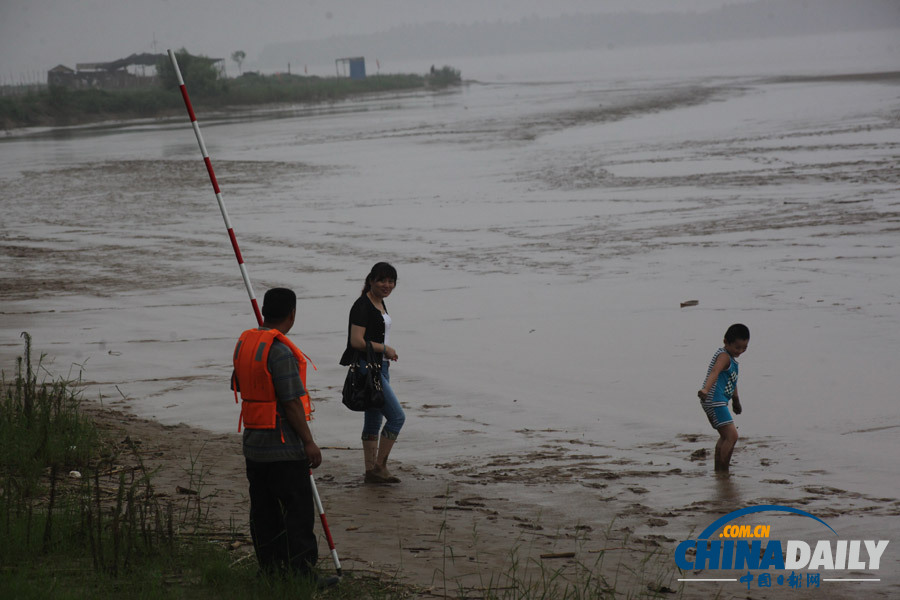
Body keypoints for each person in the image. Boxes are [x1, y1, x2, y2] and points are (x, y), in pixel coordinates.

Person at [231, 287, 337, 587]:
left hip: (254, 446)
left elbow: (237, 383)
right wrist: (309, 442)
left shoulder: (245, 345)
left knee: (263, 512)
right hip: (284, 449)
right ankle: (302, 574)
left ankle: (270, 569)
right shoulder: (280, 351)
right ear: (292, 314)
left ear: (264, 311)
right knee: (298, 513)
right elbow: (291, 402)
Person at [339, 262, 405, 484]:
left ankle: (371, 471)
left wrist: (386, 356)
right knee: (396, 417)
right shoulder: (362, 305)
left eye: (391, 281)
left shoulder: (379, 302)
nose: (387, 285)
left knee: (374, 420)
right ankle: (380, 467)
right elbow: (356, 341)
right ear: (371, 281)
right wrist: (385, 348)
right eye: (382, 280)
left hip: (380, 367)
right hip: (369, 369)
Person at [697, 323, 749, 474]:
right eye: (737, 347)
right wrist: (706, 389)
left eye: (744, 348)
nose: (740, 351)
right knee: (732, 436)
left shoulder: (731, 358)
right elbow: (714, 371)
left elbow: (732, 381)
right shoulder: (724, 356)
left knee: (725, 436)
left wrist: (736, 400)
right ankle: (723, 471)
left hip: (718, 400)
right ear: (726, 341)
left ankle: (719, 469)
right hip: (714, 400)